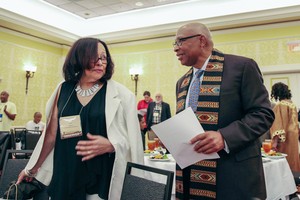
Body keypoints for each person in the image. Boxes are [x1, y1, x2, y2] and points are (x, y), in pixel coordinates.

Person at [16, 37, 144, 200]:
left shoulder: (122, 95)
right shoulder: (63, 89)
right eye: (94, 56)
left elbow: (134, 142)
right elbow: (50, 136)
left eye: (104, 57)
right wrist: (31, 169)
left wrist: (112, 145)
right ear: (79, 58)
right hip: (66, 175)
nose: (100, 62)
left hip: (101, 179)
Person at [173, 22, 274, 199]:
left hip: (233, 176)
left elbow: (263, 114)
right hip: (192, 174)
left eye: (180, 41)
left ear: (201, 40)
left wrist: (224, 137)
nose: (176, 48)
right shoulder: (182, 82)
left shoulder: (241, 67)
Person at [269, 82, 300, 171]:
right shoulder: (292, 104)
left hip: (285, 136)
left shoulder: (280, 105)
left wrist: (275, 141)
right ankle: (295, 178)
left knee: (284, 157)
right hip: (294, 135)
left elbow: (278, 124)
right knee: (293, 156)